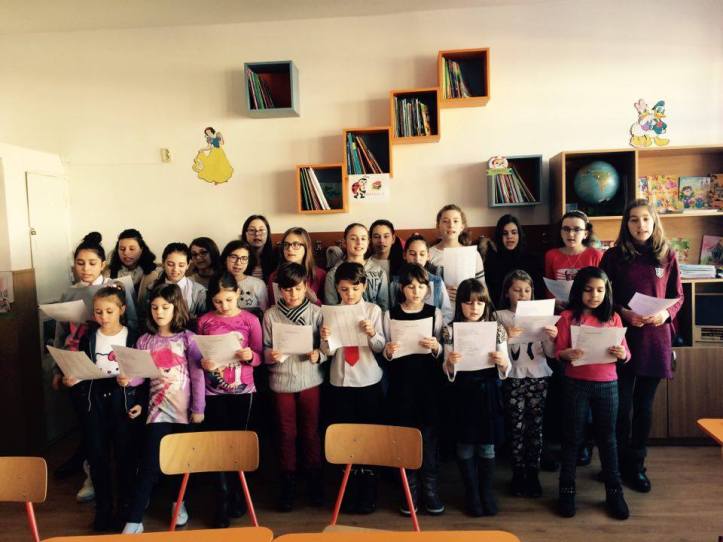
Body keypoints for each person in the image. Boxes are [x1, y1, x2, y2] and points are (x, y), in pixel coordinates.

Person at [600, 199, 683, 493]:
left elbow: (678, 296)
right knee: (621, 408)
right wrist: (623, 313)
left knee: (644, 408)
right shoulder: (613, 256)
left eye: (645, 219)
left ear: (654, 221)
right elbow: (602, 297)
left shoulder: (667, 255)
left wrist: (665, 315)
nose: (640, 225)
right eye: (634, 219)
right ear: (626, 224)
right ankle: (615, 465)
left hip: (655, 339)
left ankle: (636, 466)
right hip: (622, 339)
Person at [121, 284, 205, 534]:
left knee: (180, 462)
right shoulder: (145, 340)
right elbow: (140, 376)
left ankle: (178, 503)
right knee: (149, 463)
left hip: (184, 412)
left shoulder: (188, 338)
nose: (159, 312)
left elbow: (197, 375)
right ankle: (134, 519)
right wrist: (128, 380)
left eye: (165, 307)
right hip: (157, 411)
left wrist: (198, 408)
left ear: (176, 308)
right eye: (155, 307)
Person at [555, 267, 630, 520]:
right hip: (575, 383)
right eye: (588, 290)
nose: (594, 295)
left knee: (607, 439)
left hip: (607, 384)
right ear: (579, 291)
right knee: (572, 438)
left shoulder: (613, 317)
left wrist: (622, 354)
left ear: (606, 291)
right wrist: (566, 354)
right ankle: (566, 489)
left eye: (599, 290)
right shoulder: (567, 317)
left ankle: (614, 491)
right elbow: (558, 351)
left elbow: (626, 353)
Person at [72, 285, 144, 531]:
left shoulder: (134, 336)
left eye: (109, 311)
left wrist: (139, 401)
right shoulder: (89, 337)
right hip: (95, 402)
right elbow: (81, 369)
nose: (103, 317)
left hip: (123, 399)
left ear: (122, 310)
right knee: (97, 456)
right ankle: (103, 509)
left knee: (125, 456)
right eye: (98, 312)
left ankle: (125, 508)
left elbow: (145, 374)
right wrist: (74, 379)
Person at [197, 272, 263, 528]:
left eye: (228, 300)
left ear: (237, 294)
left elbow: (260, 355)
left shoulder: (250, 320)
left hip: (243, 391)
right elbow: (198, 356)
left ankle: (239, 493)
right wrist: (204, 363)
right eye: (218, 301)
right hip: (214, 392)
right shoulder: (204, 321)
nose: (223, 306)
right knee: (218, 445)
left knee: (239, 444)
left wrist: (250, 356)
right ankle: (222, 497)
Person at [319, 262, 385, 514]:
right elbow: (328, 352)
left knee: (367, 438)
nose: (350, 294)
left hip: (368, 379)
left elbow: (380, 347)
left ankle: (368, 492)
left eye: (355, 289)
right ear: (337, 288)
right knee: (345, 439)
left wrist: (371, 333)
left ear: (364, 287)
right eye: (344, 289)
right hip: (340, 381)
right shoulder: (331, 312)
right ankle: (346, 492)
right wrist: (325, 338)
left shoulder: (373, 310)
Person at [263, 262, 326, 512]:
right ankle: (287, 482)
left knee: (311, 432)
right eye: (287, 289)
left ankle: (314, 480)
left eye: (298, 289)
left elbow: (327, 347)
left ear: (306, 286)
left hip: (310, 378)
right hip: (282, 380)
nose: (293, 294)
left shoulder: (316, 312)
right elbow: (264, 347)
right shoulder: (270, 315)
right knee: (286, 433)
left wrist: (319, 354)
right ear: (279, 290)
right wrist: (270, 355)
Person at [383, 263, 444, 516]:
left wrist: (436, 347)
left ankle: (430, 490)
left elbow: (442, 350)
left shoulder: (434, 313)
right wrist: (388, 351)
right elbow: (385, 350)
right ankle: (410, 491)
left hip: (428, 385)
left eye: (420, 286)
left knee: (428, 437)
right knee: (405, 437)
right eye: (410, 286)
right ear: (401, 288)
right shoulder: (390, 314)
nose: (415, 291)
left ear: (427, 288)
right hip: (402, 385)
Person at [544, 210, 602, 466]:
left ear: (586, 232)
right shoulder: (552, 255)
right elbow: (548, 287)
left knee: (586, 384)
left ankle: (585, 445)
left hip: (588, 323)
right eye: (566, 228)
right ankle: (569, 442)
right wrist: (555, 302)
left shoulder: (595, 255)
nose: (571, 234)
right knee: (566, 388)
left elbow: (602, 289)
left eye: (577, 229)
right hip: (561, 322)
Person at [495, 270, 556, 498]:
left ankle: (533, 472)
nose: (522, 294)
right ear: (507, 292)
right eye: (517, 290)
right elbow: (492, 350)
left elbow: (550, 352)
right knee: (516, 426)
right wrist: (506, 336)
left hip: (538, 374)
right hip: (513, 376)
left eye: (527, 290)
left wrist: (551, 336)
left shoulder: (540, 315)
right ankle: (518, 473)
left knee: (535, 426)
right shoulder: (499, 316)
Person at [389, 233, 453, 324]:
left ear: (428, 256)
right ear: (404, 255)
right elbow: (392, 312)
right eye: (412, 254)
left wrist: (436, 327)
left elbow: (447, 313)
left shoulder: (437, 282)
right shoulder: (395, 283)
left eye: (422, 254)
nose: (417, 259)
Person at [427, 204, 485, 303]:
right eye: (445, 221)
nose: (451, 225)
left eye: (455, 221)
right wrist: (441, 293)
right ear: (438, 225)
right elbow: (421, 287)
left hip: (467, 308)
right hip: (438, 308)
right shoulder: (428, 254)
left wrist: (465, 293)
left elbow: (481, 288)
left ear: (462, 226)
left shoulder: (473, 255)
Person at [324, 223, 389, 311]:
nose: (359, 242)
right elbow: (331, 308)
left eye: (363, 239)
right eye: (353, 238)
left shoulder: (379, 271)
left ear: (368, 242)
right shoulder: (333, 273)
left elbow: (384, 307)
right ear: (344, 242)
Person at [484, 215, 544, 306]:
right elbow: (491, 296)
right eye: (505, 233)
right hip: (500, 310)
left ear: (519, 235)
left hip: (529, 309)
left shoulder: (532, 260)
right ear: (499, 236)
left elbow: (539, 292)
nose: (509, 236)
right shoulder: (492, 262)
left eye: (514, 232)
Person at [140, 243, 207, 321]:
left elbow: (205, 321)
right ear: (163, 263)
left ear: (188, 265)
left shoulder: (199, 292)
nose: (175, 269)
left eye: (181, 265)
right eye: (170, 264)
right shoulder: (151, 288)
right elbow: (143, 317)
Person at [268, 227, 326, 305]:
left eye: (296, 244)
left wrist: (314, 300)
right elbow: (272, 305)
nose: (290, 249)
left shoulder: (320, 275)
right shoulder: (274, 276)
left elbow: (326, 308)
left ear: (306, 247)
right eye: (286, 244)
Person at [106, 228, 158, 298]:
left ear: (141, 249)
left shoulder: (152, 274)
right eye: (122, 249)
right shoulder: (108, 274)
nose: (126, 253)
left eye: (132, 249)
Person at [220, 240, 269, 312]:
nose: (238, 262)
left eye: (244, 258)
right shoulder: (217, 282)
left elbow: (264, 311)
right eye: (233, 257)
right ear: (225, 259)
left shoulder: (258, 284)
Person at [241, 215, 276, 281]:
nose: (257, 234)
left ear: (267, 234)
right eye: (252, 230)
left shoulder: (276, 256)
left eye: (261, 230)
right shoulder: (238, 257)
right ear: (245, 234)